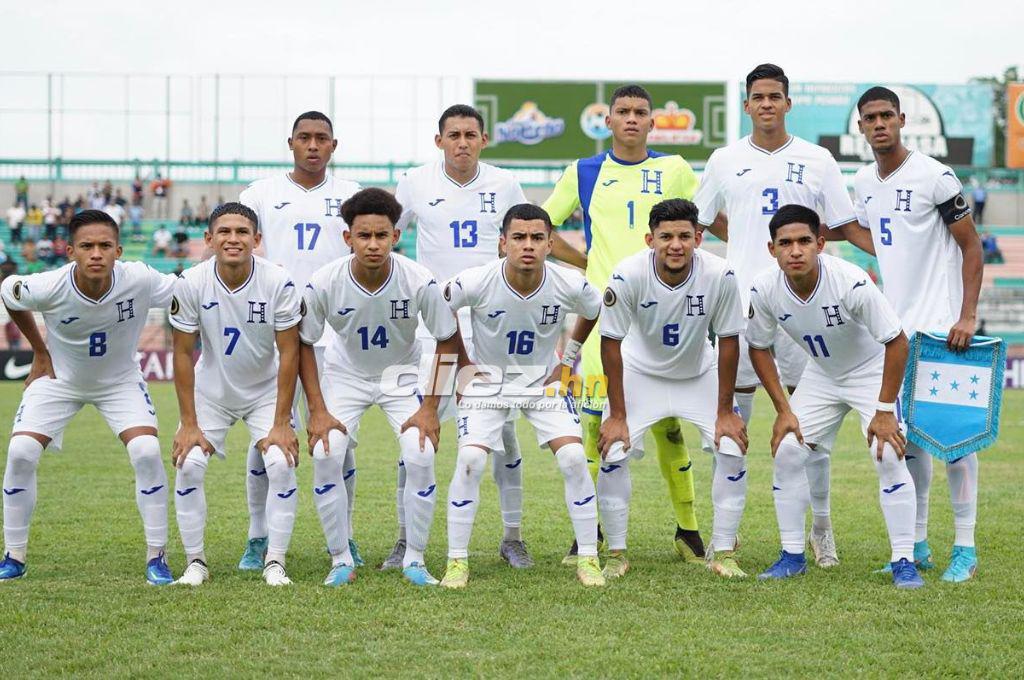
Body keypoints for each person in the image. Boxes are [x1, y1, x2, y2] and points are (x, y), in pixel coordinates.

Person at [693, 64, 864, 568]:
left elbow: (840, 225)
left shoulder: (818, 159)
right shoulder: (725, 159)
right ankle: (726, 538)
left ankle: (821, 528)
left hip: (807, 315)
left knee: (811, 431)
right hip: (743, 308)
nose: (766, 104)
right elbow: (702, 220)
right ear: (746, 105)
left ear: (788, 103)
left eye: (775, 96)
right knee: (732, 426)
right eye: (757, 97)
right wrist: (746, 242)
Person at [542, 84, 706, 565]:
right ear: (608, 121)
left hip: (661, 313)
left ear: (652, 123)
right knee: (593, 424)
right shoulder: (584, 171)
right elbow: (541, 225)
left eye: (640, 112)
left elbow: (699, 224)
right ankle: (586, 532)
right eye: (623, 112)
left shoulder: (673, 169)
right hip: (602, 315)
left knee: (668, 423)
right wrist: (585, 260)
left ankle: (689, 529)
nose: (631, 119)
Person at [391, 104, 547, 570]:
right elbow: (389, 242)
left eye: (470, 134)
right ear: (438, 140)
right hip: (433, 328)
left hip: (488, 328)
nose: (462, 142)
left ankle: (512, 537)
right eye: (453, 134)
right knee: (416, 433)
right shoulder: (414, 183)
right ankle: (404, 540)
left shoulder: (505, 185)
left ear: (483, 140)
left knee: (503, 437)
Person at [746, 204, 922, 589]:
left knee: (888, 452)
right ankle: (792, 555)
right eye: (785, 243)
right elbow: (758, 346)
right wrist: (783, 410)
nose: (795, 250)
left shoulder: (850, 282)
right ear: (771, 249)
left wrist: (883, 410)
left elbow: (897, 342)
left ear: (820, 244)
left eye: (804, 241)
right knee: (789, 449)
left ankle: (904, 561)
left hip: (870, 373)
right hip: (823, 375)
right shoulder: (763, 287)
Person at [0, 209, 176, 584]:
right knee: (20, 452)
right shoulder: (48, 285)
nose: (96, 253)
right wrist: (40, 351)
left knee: (146, 452)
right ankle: (14, 556)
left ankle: (156, 556)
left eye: (105, 246)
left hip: (120, 381)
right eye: (87, 246)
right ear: (70, 251)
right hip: (60, 378)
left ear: (119, 250)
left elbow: (188, 293)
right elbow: (9, 293)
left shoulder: (141, 279)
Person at [852, 86, 985, 582]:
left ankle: (966, 550)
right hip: (898, 334)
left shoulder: (935, 175)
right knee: (911, 445)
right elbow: (881, 238)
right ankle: (921, 542)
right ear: (861, 127)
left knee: (956, 443)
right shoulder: (864, 180)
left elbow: (971, 247)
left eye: (887, 115)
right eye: (871, 118)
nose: (880, 123)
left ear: (902, 119)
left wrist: (967, 316)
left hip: (944, 330)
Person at [440, 203, 604, 588]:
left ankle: (589, 559)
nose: (527, 245)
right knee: (470, 460)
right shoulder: (477, 280)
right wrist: (464, 363)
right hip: (488, 383)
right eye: (518, 238)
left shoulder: (569, 283)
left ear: (550, 243)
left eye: (536, 238)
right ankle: (457, 562)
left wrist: (569, 361)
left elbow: (593, 310)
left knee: (574, 457)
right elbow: (440, 308)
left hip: (541, 383)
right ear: (503, 244)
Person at [299, 188, 457, 587]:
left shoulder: (419, 280)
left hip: (401, 377)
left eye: (381, 236)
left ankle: (415, 560)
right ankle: (339, 558)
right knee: (326, 452)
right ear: (347, 238)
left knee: (419, 453)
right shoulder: (323, 282)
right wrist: (317, 410)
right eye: (364, 236)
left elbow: (447, 338)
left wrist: (429, 409)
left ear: (395, 236)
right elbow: (304, 342)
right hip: (344, 375)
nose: (373, 244)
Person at [597, 199, 749, 579]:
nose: (675, 244)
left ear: (699, 238)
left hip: (698, 373)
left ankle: (724, 551)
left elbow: (730, 339)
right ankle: (616, 553)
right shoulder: (627, 274)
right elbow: (610, 342)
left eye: (684, 236)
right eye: (666, 236)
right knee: (613, 450)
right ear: (651, 239)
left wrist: (725, 410)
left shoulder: (721, 275)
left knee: (731, 447)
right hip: (640, 374)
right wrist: (617, 415)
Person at [239, 111, 362, 570]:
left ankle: (345, 537)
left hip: (336, 335)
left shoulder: (350, 195)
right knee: (269, 439)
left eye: (322, 139)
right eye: (305, 138)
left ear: (334, 145)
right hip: (276, 332)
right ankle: (258, 536)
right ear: (290, 143)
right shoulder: (259, 193)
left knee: (339, 441)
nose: (313, 145)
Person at [169, 202, 302, 587]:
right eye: (224, 232)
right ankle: (195, 562)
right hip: (212, 392)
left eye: (242, 232)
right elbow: (181, 353)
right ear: (208, 239)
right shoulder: (191, 282)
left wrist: (281, 421)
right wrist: (189, 423)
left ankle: (275, 562)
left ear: (256, 239)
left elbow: (290, 351)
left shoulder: (278, 281)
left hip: (265, 392)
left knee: (280, 463)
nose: (233, 238)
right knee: (189, 463)